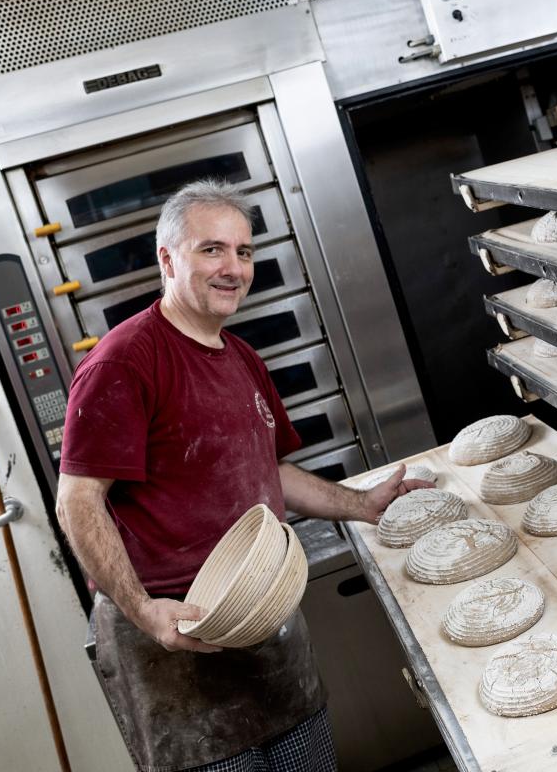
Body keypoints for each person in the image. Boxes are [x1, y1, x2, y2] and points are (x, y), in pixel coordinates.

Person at [56, 179, 430, 771]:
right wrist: (144, 610)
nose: (233, 268)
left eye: (244, 251)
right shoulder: (126, 361)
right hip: (176, 643)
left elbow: (269, 472)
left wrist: (362, 504)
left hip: (265, 624)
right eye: (212, 250)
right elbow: (78, 502)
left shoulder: (241, 357)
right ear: (168, 258)